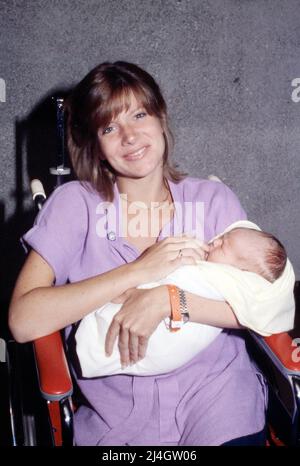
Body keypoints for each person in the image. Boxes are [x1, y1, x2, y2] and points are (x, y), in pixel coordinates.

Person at [8, 62, 295, 446]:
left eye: (139, 114)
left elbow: (257, 299)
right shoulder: (73, 205)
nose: (129, 136)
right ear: (95, 143)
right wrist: (137, 271)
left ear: (161, 118)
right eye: (109, 127)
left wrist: (169, 301)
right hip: (118, 421)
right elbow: (24, 320)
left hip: (218, 398)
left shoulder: (211, 201)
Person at [75, 220, 293, 378]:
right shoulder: (223, 255)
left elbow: (270, 307)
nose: (214, 241)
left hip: (176, 353)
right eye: (221, 238)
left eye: (223, 246)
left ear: (240, 273)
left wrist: (170, 299)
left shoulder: (223, 281)